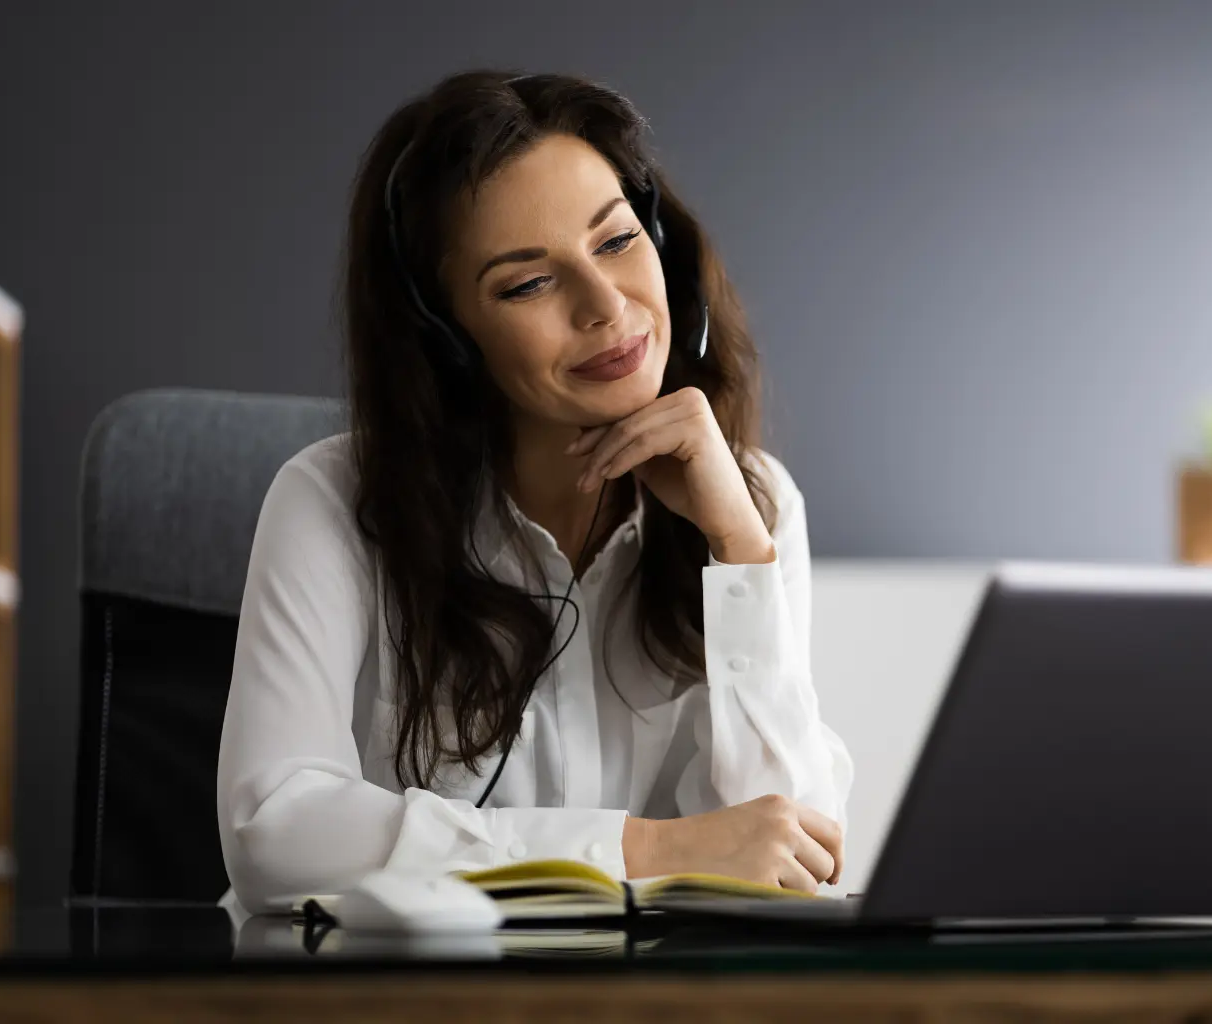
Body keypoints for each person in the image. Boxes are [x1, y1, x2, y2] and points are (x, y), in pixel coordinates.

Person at [216, 69, 853, 915]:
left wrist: (739, 551)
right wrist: (643, 849)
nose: (605, 306)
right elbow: (275, 829)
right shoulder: (331, 501)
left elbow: (792, 856)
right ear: (447, 341)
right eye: (526, 283)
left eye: (618, 242)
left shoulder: (755, 501)